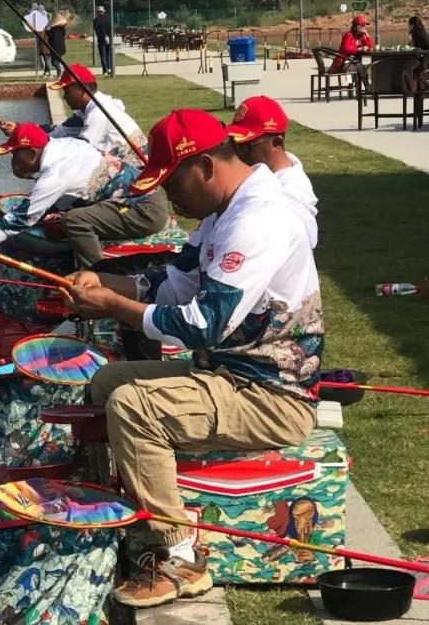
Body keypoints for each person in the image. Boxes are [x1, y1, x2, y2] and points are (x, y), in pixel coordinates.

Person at [62, 109, 322, 608]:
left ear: (203, 166)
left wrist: (113, 306)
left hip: (271, 395)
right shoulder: (221, 215)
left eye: (171, 181)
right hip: (225, 373)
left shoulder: (259, 218)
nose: (169, 198)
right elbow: (172, 284)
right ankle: (128, 503)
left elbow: (203, 323)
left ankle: (181, 557)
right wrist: (105, 283)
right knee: (107, 380)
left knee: (134, 406)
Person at [0, 122, 170, 271]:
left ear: (32, 153)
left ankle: (96, 277)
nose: (12, 163)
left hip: (145, 211)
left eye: (14, 156)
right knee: (65, 214)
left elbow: (16, 222)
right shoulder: (61, 145)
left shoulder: (53, 177)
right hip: (141, 199)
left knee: (75, 220)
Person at [227, 96, 319, 238]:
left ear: (276, 143)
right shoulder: (252, 174)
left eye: (244, 146)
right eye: (232, 142)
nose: (237, 152)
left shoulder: (292, 192)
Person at [49, 63, 147, 155]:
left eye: (67, 92)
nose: (65, 97)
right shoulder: (90, 107)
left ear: (83, 89)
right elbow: (65, 130)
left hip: (135, 161)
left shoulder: (99, 111)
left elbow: (81, 148)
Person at [329, 15, 373, 91]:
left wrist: (367, 35)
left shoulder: (361, 36)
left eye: (364, 26)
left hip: (354, 61)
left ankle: (365, 87)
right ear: (356, 26)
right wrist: (359, 49)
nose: (364, 27)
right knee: (359, 66)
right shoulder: (348, 35)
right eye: (362, 25)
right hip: (343, 62)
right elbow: (346, 49)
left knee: (359, 65)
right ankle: (366, 87)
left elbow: (370, 46)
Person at [25, 3, 51, 77]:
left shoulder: (43, 25)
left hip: (43, 41)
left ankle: (47, 70)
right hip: (41, 40)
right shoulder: (43, 23)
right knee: (44, 55)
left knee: (45, 55)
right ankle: (46, 71)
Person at [45, 10, 68, 75]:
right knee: (57, 61)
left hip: (55, 47)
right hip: (60, 47)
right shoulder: (62, 28)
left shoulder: (53, 29)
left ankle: (60, 72)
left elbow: (48, 33)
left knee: (54, 62)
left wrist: (50, 27)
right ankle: (62, 72)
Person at [94, 6, 112, 76]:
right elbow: (110, 28)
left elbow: (97, 31)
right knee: (108, 54)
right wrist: (108, 36)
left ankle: (105, 70)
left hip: (101, 39)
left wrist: (103, 36)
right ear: (103, 12)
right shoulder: (108, 19)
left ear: (97, 12)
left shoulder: (95, 20)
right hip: (108, 38)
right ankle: (109, 68)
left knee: (102, 55)